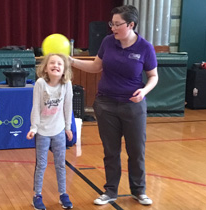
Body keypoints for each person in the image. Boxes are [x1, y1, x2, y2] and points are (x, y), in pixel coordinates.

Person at [69, 5, 158, 206]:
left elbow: (153, 76)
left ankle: (139, 191)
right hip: (106, 105)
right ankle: (110, 191)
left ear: (131, 24)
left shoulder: (145, 47)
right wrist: (71, 61)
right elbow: (95, 67)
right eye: (112, 24)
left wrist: (144, 91)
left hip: (133, 107)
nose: (113, 28)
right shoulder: (108, 42)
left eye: (117, 24)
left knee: (136, 151)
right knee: (111, 151)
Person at [27, 53, 74, 210]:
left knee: (60, 164)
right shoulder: (40, 83)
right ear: (45, 68)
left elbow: (68, 107)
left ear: (64, 69)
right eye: (52, 63)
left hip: (59, 131)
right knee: (41, 164)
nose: (56, 65)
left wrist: (68, 127)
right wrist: (34, 127)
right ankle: (37, 195)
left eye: (59, 64)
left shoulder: (67, 84)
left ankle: (63, 194)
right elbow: (36, 107)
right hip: (42, 132)